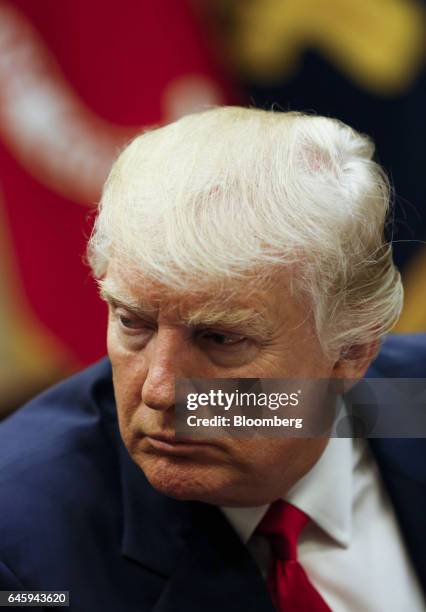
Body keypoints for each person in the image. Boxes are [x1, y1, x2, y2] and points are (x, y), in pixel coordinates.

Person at [0, 106, 425, 611]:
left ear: (352, 351)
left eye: (220, 339)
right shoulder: (20, 540)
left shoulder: (409, 402)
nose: (159, 391)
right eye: (133, 323)